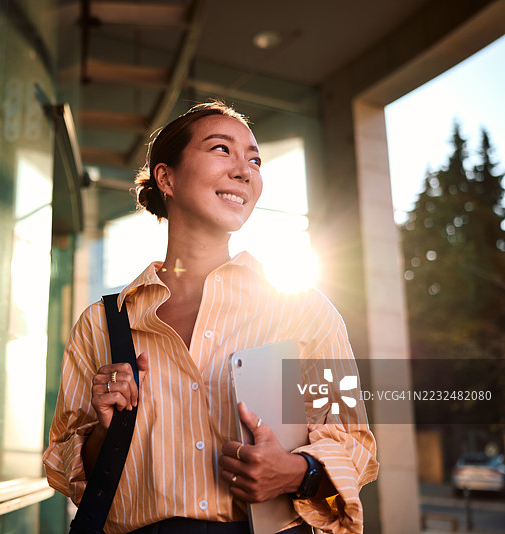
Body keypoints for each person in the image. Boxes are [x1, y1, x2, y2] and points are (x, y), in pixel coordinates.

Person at [43, 101, 378, 534]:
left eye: (254, 160)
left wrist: (296, 472)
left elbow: (355, 443)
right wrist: (108, 429)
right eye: (222, 149)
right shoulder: (101, 324)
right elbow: (67, 469)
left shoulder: (304, 310)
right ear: (167, 178)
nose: (245, 171)